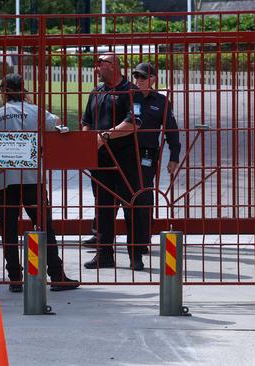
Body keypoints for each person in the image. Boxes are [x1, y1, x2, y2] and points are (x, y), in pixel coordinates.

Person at [0, 73, 79, 293]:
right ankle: (56, 275)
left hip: (4, 179)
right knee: (44, 226)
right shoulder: (36, 112)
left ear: (3, 92)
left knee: (8, 229)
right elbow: (57, 124)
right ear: (23, 90)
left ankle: (15, 278)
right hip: (31, 179)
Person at [81, 53, 146, 271]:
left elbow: (134, 122)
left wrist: (104, 137)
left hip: (125, 162)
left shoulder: (131, 91)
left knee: (131, 207)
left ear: (113, 66)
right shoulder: (96, 92)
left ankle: (135, 256)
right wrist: (88, 141)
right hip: (100, 162)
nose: (96, 68)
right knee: (103, 209)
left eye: (100, 64)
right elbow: (86, 122)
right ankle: (104, 255)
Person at [131, 62, 182, 246]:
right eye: (136, 76)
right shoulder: (128, 96)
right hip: (125, 153)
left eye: (143, 77)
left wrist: (174, 156)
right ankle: (103, 239)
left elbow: (171, 130)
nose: (139, 80)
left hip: (147, 155)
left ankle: (143, 239)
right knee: (121, 194)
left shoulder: (161, 102)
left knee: (144, 194)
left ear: (153, 79)